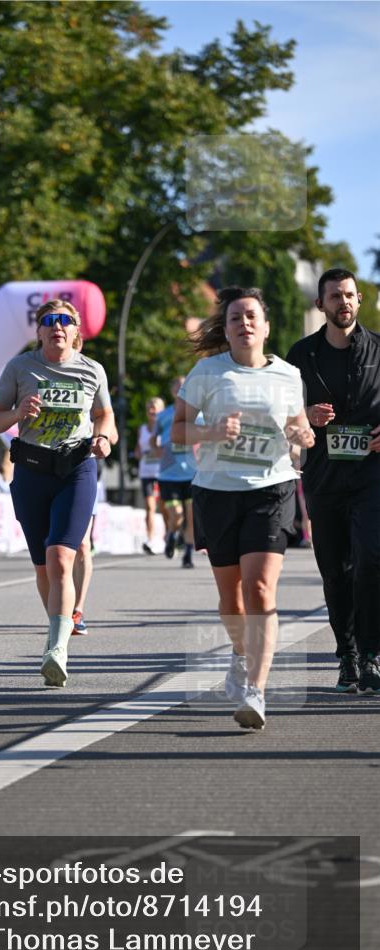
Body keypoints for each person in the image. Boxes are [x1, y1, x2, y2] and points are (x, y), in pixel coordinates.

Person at [172, 286, 314, 730]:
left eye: (252, 316)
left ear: (266, 327)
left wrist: (303, 439)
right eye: (235, 318)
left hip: (272, 488)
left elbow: (300, 433)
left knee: (259, 591)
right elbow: (177, 432)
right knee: (231, 597)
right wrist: (211, 432)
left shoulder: (289, 376)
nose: (244, 323)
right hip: (217, 491)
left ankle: (256, 688)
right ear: (227, 329)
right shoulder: (207, 372)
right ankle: (239, 653)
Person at [0, 299, 114, 687]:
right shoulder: (20, 367)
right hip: (32, 472)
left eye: (66, 321)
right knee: (43, 566)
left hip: (76, 469)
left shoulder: (92, 370)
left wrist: (104, 437)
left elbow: (104, 415)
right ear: (39, 331)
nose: (57, 327)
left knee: (61, 557)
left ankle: (57, 649)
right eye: (50, 321)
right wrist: (17, 413)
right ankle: (56, 627)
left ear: (77, 331)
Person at [286, 268, 380, 694]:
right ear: (319, 304)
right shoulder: (300, 355)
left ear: (359, 299)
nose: (343, 303)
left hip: (371, 476)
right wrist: (305, 416)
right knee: (334, 571)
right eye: (334, 297)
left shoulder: (379, 349)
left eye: (349, 295)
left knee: (371, 561)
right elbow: (282, 416)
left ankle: (372, 653)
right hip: (323, 477)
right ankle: (347, 655)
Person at [72, 419, 119, 635]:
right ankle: (59, 608)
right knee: (56, 549)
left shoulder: (96, 394)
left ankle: (76, 610)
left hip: (84, 474)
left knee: (82, 544)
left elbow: (113, 435)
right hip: (49, 473)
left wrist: (102, 438)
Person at [150, 375, 198, 568]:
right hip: (169, 474)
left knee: (192, 517)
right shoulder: (164, 415)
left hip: (193, 474)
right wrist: (158, 451)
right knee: (176, 515)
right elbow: (153, 440)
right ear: (172, 392)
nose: (181, 390)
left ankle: (187, 554)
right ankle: (171, 534)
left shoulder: (198, 414)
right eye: (178, 387)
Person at [134, 397, 165, 554]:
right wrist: (140, 453)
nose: (152, 412)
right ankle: (151, 539)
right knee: (149, 507)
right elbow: (138, 449)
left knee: (166, 507)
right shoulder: (142, 429)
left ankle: (169, 537)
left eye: (156, 408)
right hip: (146, 471)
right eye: (150, 409)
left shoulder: (165, 428)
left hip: (163, 472)